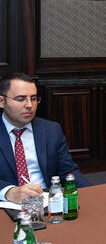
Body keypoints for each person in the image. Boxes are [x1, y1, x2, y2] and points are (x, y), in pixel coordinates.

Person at [0, 73, 91, 203]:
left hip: (48, 200)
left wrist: (92, 192)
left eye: (33, 98)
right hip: (8, 203)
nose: (29, 105)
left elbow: (68, 171)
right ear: (2, 101)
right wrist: (9, 192)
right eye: (21, 99)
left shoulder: (51, 130)